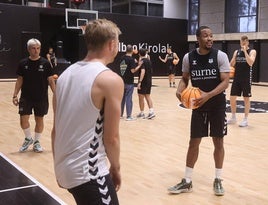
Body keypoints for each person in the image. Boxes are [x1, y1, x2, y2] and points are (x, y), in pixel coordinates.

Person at [51, 19, 123, 205]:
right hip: (89, 172)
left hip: (65, 168)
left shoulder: (65, 75)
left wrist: (59, 167)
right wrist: (115, 169)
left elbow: (55, 130)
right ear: (112, 44)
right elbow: (111, 138)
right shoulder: (109, 80)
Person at [169, 26, 230, 196]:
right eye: (206, 36)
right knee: (193, 142)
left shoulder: (220, 56)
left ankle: (218, 179)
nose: (210, 38)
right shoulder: (189, 58)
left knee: (218, 142)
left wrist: (208, 95)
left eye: (211, 36)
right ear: (198, 38)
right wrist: (180, 91)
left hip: (217, 104)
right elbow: (184, 78)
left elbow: (225, 82)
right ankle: (187, 181)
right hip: (198, 106)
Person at [12, 38, 55, 153]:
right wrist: (15, 95)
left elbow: (51, 81)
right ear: (28, 49)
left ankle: (36, 142)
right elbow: (19, 79)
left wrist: (56, 94)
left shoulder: (46, 63)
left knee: (39, 120)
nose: (36, 51)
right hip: (26, 97)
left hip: (41, 97)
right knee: (23, 120)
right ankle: (28, 138)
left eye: (38, 48)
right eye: (33, 48)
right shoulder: (23, 63)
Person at [227, 35, 257, 127]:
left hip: (246, 78)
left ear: (248, 42)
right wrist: (234, 57)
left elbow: (251, 62)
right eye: (241, 42)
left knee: (246, 99)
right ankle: (233, 117)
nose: (243, 44)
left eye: (244, 42)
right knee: (232, 98)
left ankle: (245, 119)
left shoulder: (252, 51)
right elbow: (231, 64)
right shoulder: (237, 51)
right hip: (237, 78)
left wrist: (244, 51)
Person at [120, 44, 142, 121]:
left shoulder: (122, 58)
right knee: (128, 98)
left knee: (122, 98)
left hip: (122, 81)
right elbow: (132, 70)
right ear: (132, 51)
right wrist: (138, 66)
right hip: (129, 82)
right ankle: (129, 116)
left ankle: (120, 114)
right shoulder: (131, 59)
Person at [136, 48, 155, 119]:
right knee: (148, 96)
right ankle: (151, 111)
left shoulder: (142, 61)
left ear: (139, 54)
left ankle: (142, 113)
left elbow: (143, 71)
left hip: (143, 81)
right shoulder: (149, 61)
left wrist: (140, 82)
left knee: (141, 97)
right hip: (149, 81)